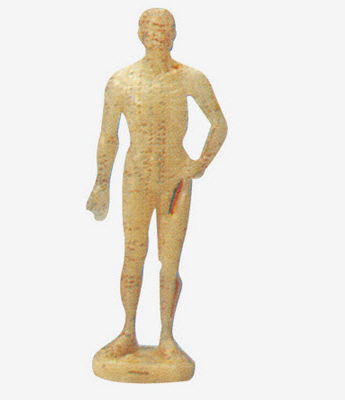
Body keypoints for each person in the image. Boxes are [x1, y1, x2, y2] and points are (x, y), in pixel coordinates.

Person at [87, 8, 227, 359]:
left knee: (170, 260)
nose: (159, 34)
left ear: (174, 34)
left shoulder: (190, 78)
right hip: (137, 176)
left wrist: (201, 164)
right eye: (151, 28)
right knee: (133, 253)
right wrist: (101, 182)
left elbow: (219, 123)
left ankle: (167, 336)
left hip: (176, 177)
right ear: (140, 33)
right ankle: (128, 331)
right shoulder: (121, 82)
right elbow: (108, 137)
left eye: (166, 28)